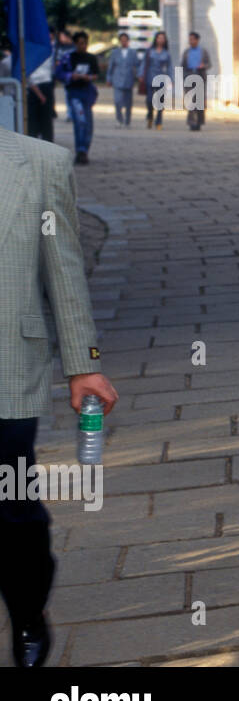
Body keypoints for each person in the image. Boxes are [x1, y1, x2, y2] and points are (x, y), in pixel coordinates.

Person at [0, 124, 120, 666]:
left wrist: (83, 366)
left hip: (8, 366)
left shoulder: (41, 162)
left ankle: (27, 612)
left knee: (11, 504)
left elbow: (64, 271)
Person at [55, 32, 99, 165]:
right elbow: (58, 73)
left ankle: (85, 149)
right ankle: (80, 150)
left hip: (87, 93)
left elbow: (95, 74)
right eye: (80, 43)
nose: (83, 46)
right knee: (80, 122)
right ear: (75, 44)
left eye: (85, 43)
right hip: (74, 93)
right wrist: (70, 76)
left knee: (88, 124)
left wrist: (88, 78)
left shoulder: (91, 58)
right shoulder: (68, 57)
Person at [24, 29, 56, 142]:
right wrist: (38, 93)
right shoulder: (32, 49)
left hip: (46, 86)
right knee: (33, 122)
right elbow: (27, 73)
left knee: (46, 122)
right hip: (33, 88)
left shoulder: (51, 49)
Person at [139, 31, 172, 130]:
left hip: (162, 78)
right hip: (150, 77)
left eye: (162, 38)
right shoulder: (150, 51)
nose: (161, 40)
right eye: (159, 38)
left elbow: (169, 67)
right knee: (149, 100)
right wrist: (141, 75)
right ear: (156, 39)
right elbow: (144, 63)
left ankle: (159, 121)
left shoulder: (167, 53)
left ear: (165, 40)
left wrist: (171, 79)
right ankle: (150, 115)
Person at [106, 32, 139, 127]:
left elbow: (137, 65)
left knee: (128, 102)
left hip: (129, 79)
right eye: (122, 40)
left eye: (125, 40)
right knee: (117, 101)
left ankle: (128, 120)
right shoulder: (115, 52)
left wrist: (138, 76)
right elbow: (111, 66)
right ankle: (119, 119)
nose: (124, 42)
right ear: (120, 41)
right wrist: (109, 78)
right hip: (117, 79)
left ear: (128, 41)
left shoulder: (133, 53)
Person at [182, 31, 212, 131]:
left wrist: (204, 66)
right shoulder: (186, 52)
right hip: (189, 77)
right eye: (189, 39)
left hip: (200, 76)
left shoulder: (203, 51)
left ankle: (199, 122)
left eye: (192, 39)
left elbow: (209, 64)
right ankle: (191, 122)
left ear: (197, 40)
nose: (190, 41)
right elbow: (183, 65)